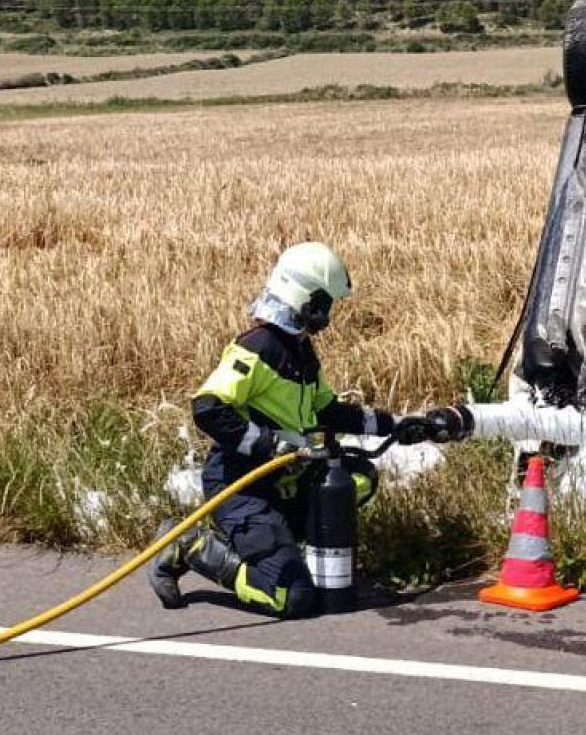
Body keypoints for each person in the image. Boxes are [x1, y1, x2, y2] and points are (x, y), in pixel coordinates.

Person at [148, 241, 429, 617]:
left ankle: (285, 553)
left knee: (358, 479)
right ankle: (194, 547)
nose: (328, 315)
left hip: (283, 482)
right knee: (293, 598)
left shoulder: (301, 352)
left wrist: (395, 426)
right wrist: (268, 445)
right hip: (242, 489)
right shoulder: (258, 347)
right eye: (325, 304)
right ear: (303, 298)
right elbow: (208, 407)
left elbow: (328, 410)